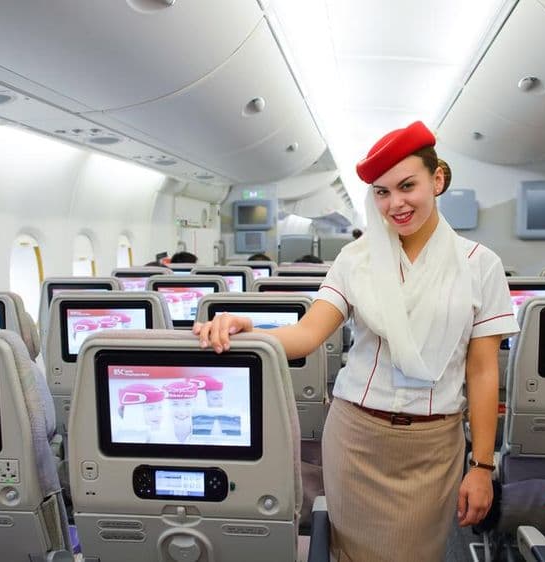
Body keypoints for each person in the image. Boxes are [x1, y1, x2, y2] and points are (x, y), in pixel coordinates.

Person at [194, 121, 518, 561]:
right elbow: (307, 334)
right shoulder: (356, 259)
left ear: (437, 180)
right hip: (357, 438)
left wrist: (481, 466)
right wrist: (248, 329)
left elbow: (481, 371)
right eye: (382, 192)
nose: (395, 203)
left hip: (433, 446)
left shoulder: (481, 265)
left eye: (407, 186)